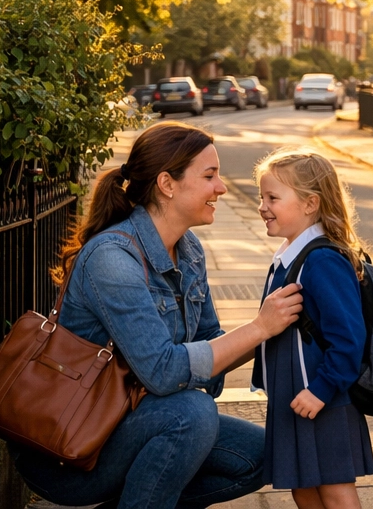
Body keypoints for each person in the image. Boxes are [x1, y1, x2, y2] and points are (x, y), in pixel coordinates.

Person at [18, 121, 304, 509]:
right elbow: (164, 372)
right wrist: (258, 327)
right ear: (167, 184)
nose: (221, 187)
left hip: (136, 423)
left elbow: (211, 348)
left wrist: (279, 327)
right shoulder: (113, 259)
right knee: (192, 412)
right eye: (209, 176)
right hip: (68, 450)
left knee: (264, 454)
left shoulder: (189, 251)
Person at [253, 148, 373, 507]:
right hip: (294, 396)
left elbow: (350, 339)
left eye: (273, 197)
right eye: (262, 197)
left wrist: (322, 389)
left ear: (310, 204)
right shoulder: (290, 256)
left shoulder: (321, 260)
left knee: (335, 489)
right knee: (302, 485)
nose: (263, 206)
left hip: (323, 397)